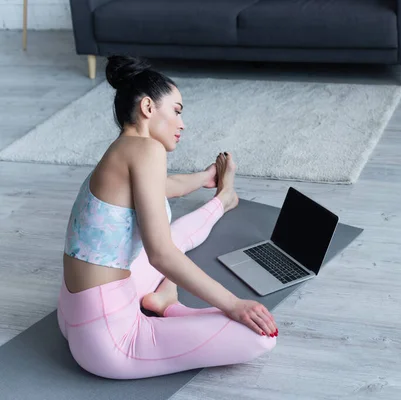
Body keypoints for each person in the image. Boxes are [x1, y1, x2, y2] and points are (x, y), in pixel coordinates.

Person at [56, 55, 278, 380]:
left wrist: (204, 179)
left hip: (74, 312)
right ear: (148, 107)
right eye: (176, 110)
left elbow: (165, 187)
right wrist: (233, 304)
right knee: (261, 337)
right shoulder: (148, 150)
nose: (182, 123)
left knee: (175, 234)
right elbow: (160, 254)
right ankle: (170, 305)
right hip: (110, 341)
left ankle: (223, 200)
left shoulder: (120, 150)